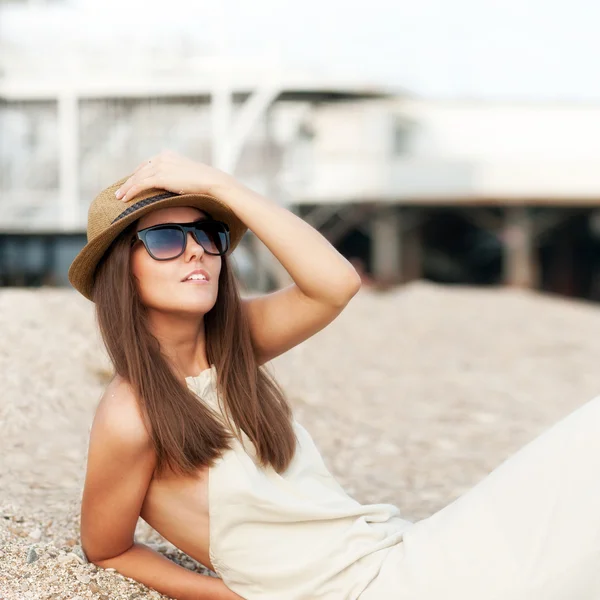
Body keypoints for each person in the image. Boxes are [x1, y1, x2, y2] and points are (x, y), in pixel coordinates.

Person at [70, 150, 600, 600]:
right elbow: (108, 548)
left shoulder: (231, 348)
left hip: (403, 555)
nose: (195, 250)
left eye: (208, 234)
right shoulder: (131, 414)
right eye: (165, 240)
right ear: (122, 270)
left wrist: (219, 185)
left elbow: (332, 284)